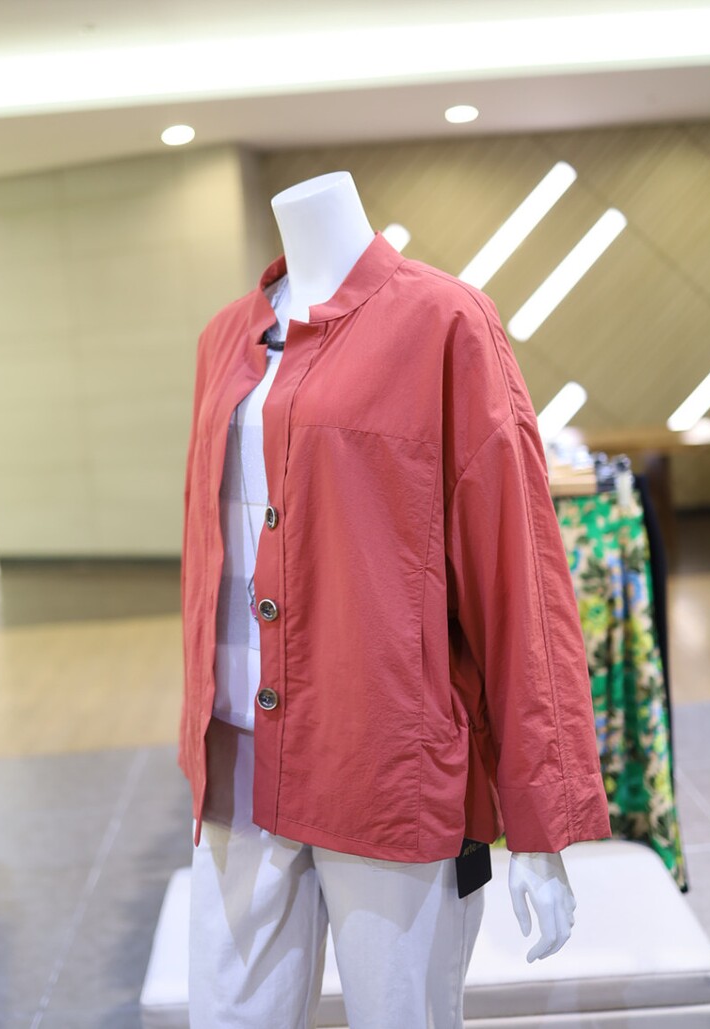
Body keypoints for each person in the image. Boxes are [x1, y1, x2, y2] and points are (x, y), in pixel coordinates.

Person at [180, 171, 611, 1028]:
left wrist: (541, 820)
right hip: (236, 764)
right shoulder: (224, 337)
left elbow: (517, 575)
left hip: (381, 768)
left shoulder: (445, 322)